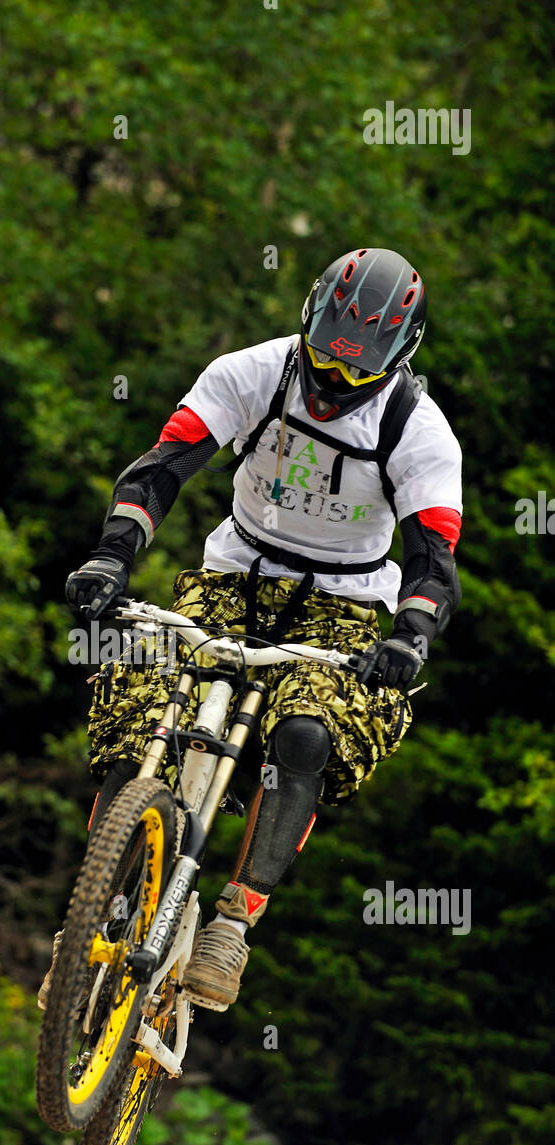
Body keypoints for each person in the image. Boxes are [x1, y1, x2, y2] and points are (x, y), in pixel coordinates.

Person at [40, 247, 462, 1013]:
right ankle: (88, 920)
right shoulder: (251, 372)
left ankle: (235, 917)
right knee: (141, 695)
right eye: (324, 361)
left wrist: (409, 636)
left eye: (356, 372)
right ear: (307, 322)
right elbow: (161, 468)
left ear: (400, 354)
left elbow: (433, 559)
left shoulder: (420, 433)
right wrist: (111, 557)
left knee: (305, 733)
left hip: (344, 604)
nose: (333, 383)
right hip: (233, 574)